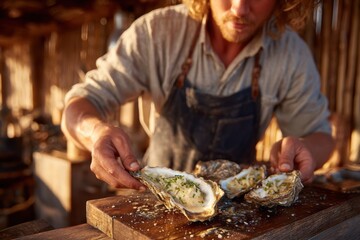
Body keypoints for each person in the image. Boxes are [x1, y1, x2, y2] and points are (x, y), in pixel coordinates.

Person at [61, 0, 335, 191]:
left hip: (239, 212)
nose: (239, 7)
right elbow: (82, 103)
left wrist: (306, 148)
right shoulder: (156, 33)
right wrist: (95, 132)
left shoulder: (291, 55)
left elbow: (320, 137)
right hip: (154, 201)